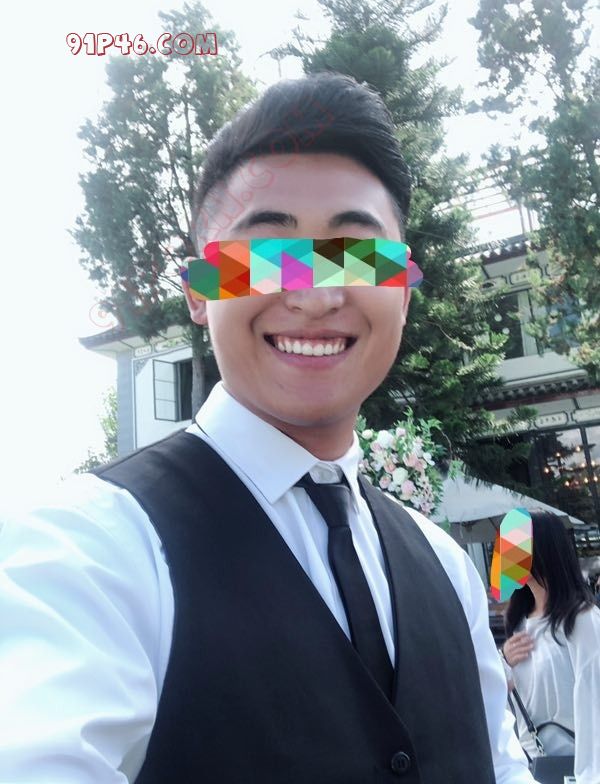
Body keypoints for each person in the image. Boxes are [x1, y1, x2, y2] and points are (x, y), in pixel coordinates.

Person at [0, 72, 536, 783]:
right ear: (199, 292)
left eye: (357, 254)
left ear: (403, 292)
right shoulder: (89, 552)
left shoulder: (445, 567)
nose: (313, 295)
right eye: (264, 256)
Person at [501, 511, 600, 784]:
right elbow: (501, 698)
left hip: (580, 768)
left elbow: (594, 699)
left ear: (542, 551)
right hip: (529, 768)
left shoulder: (581, 620)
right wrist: (502, 663)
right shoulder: (518, 622)